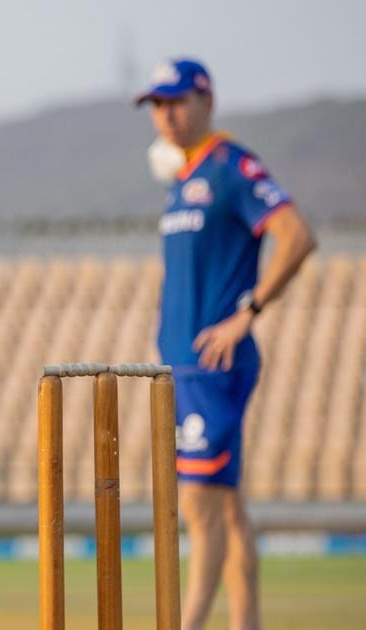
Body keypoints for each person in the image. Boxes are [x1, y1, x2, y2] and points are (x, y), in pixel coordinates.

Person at [136, 59, 317, 630]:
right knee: (229, 510)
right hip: (184, 368)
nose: (166, 115)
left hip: (214, 366)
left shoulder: (232, 166)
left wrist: (248, 313)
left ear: (207, 101)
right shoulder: (182, 180)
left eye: (177, 101)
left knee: (199, 505)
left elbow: (297, 236)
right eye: (157, 105)